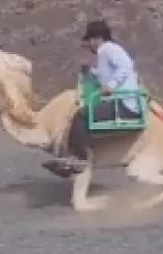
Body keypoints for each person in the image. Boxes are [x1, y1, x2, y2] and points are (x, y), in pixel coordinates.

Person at [43, 20, 142, 175]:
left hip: (123, 104)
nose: (88, 46)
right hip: (120, 102)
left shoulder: (108, 49)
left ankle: (82, 158)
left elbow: (126, 65)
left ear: (97, 39)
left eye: (89, 41)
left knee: (81, 116)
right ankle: (74, 157)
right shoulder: (106, 53)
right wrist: (91, 71)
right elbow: (104, 78)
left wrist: (112, 85)